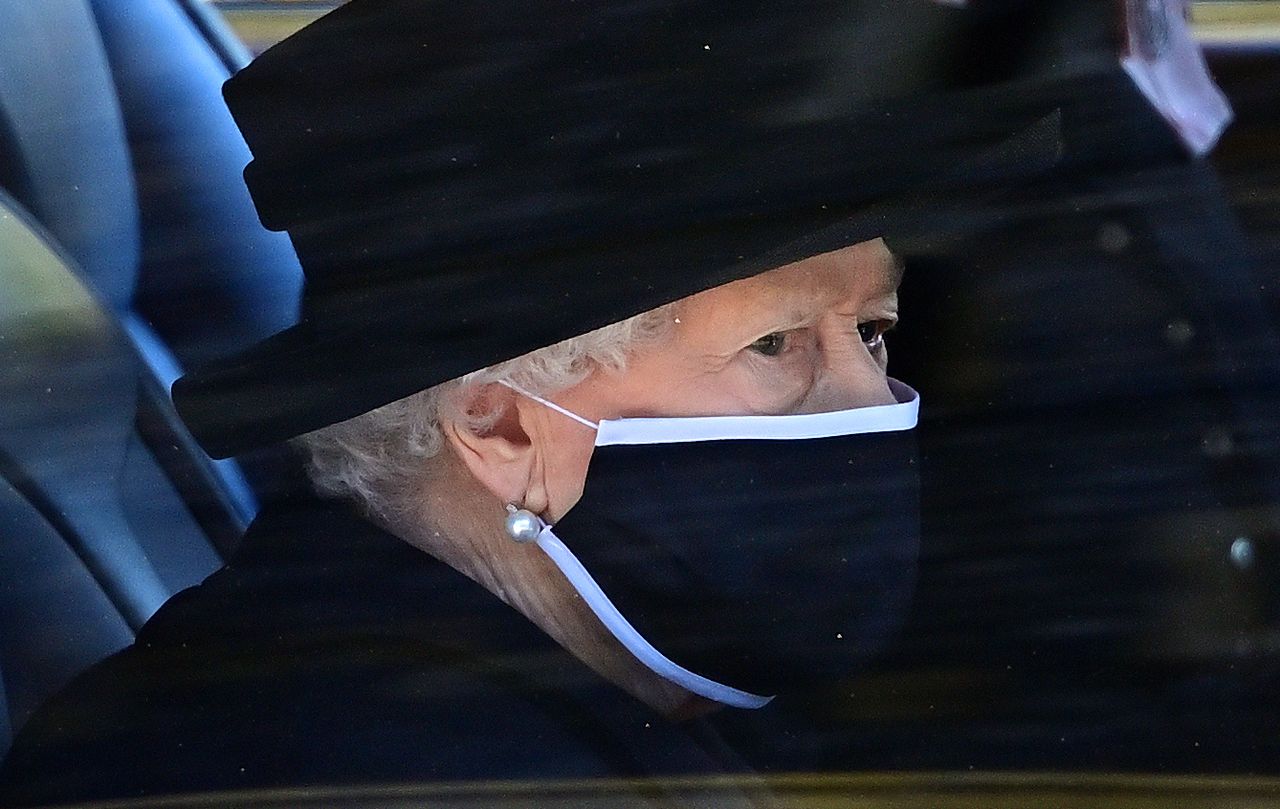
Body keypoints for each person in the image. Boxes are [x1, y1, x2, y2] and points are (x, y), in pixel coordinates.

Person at [0, 0, 1075, 804]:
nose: (869, 401)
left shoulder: (593, 689)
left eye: (871, 331)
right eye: (775, 341)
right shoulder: (335, 762)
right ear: (501, 425)